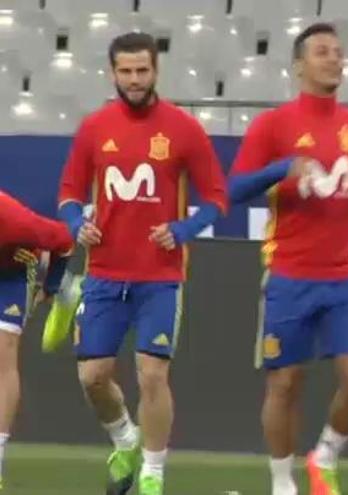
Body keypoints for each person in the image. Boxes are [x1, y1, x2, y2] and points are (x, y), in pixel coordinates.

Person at [226, 22, 348, 495]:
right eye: (322, 51)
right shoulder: (273, 126)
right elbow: (234, 190)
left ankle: (326, 455)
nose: (334, 59)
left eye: (339, 52)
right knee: (285, 383)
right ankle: (283, 482)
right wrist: (284, 167)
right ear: (299, 64)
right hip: (289, 273)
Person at [56, 32, 228, 495]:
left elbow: (216, 197)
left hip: (161, 276)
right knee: (93, 376)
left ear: (156, 71)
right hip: (104, 274)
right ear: (112, 73)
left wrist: (183, 230)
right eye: (126, 72)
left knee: (152, 373)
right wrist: (77, 225)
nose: (134, 80)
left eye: (142, 71)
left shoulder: (183, 128)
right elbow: (69, 196)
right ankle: (125, 438)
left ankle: (152, 472)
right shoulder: (94, 128)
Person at [0, 189, 73, 491]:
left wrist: (51, 286)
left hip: (13, 275)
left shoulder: (16, 221)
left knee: (3, 351)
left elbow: (65, 241)